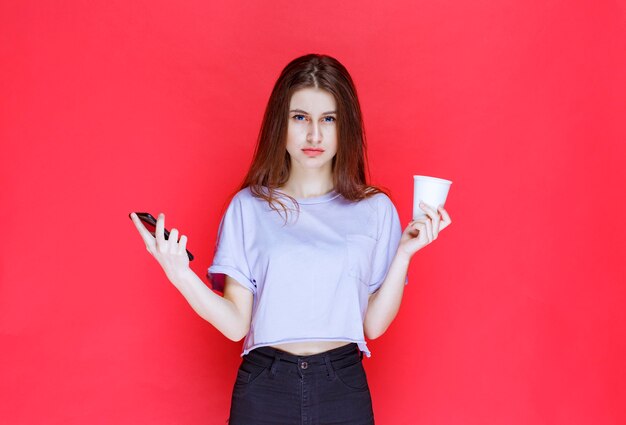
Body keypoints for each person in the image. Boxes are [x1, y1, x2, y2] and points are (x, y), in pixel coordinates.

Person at [130, 53, 451, 425]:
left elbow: (373, 326)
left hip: (342, 386)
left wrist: (404, 254)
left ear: (344, 127)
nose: (314, 134)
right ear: (279, 124)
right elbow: (236, 325)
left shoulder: (375, 209)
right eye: (300, 118)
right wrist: (180, 275)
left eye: (328, 119)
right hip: (265, 387)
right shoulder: (248, 206)